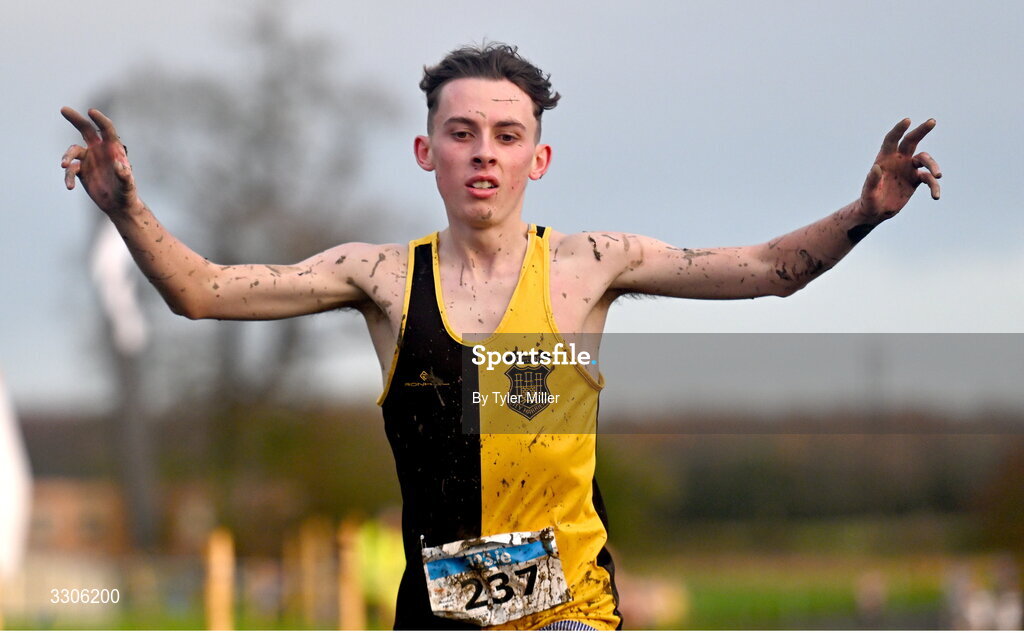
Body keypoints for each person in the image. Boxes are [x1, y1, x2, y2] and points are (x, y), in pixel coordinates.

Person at [61, 43, 941, 630]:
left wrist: (863, 213)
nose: (485, 152)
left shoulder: (591, 264)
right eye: (463, 132)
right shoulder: (378, 278)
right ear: (426, 150)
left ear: (537, 159)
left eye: (507, 135)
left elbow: (764, 269)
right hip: (437, 607)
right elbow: (203, 292)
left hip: (568, 608)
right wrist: (128, 209)